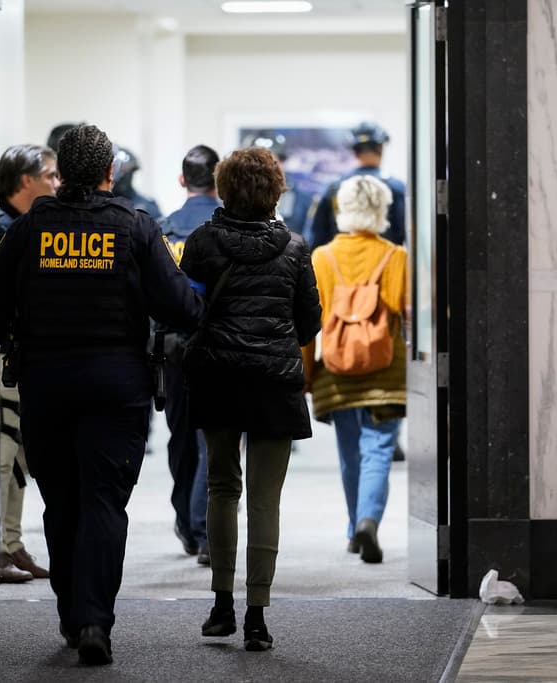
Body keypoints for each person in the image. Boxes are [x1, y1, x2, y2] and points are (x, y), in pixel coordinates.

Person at [0, 124, 205, 666]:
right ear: (109, 173)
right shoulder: (135, 227)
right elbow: (178, 308)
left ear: (65, 175)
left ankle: (71, 615)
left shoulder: (33, 228)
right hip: (116, 386)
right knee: (104, 502)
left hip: (47, 386)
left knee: (61, 503)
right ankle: (95, 621)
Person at [179, 147, 321, 652]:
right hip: (274, 382)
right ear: (275, 190)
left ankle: (221, 606)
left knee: (222, 486)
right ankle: (257, 615)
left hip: (218, 376)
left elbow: (187, 311)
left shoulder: (201, 242)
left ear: (224, 188)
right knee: (265, 498)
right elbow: (310, 323)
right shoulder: (295, 248)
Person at [303, 175, 408, 564]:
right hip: (386, 372)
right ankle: (368, 521)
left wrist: (306, 375)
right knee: (378, 448)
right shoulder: (396, 257)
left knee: (350, 453)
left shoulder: (321, 258)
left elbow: (308, 324)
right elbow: (408, 311)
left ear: (340, 209)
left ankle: (353, 529)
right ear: (383, 210)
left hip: (337, 369)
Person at [0, 144, 60, 583]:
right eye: (49, 175)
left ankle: (11, 544)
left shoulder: (26, 228)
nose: (56, 183)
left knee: (17, 459)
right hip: (4, 360)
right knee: (5, 457)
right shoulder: (3, 233)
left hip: (25, 359)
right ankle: (1, 547)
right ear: (24, 181)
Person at [158, 144, 223, 565]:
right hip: (216, 346)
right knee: (210, 439)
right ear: (218, 181)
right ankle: (202, 528)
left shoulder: (162, 229)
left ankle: (185, 519)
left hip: (170, 350)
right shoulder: (225, 228)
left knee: (179, 437)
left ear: (182, 180)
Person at [307, 121, 406, 250]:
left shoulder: (333, 188)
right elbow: (405, 233)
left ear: (354, 152)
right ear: (380, 149)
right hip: (386, 265)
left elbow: (316, 237)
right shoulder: (397, 188)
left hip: (337, 266)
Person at [112, 146, 162, 220]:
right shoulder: (97, 204)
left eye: (127, 171)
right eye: (121, 172)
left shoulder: (147, 207)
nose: (123, 177)